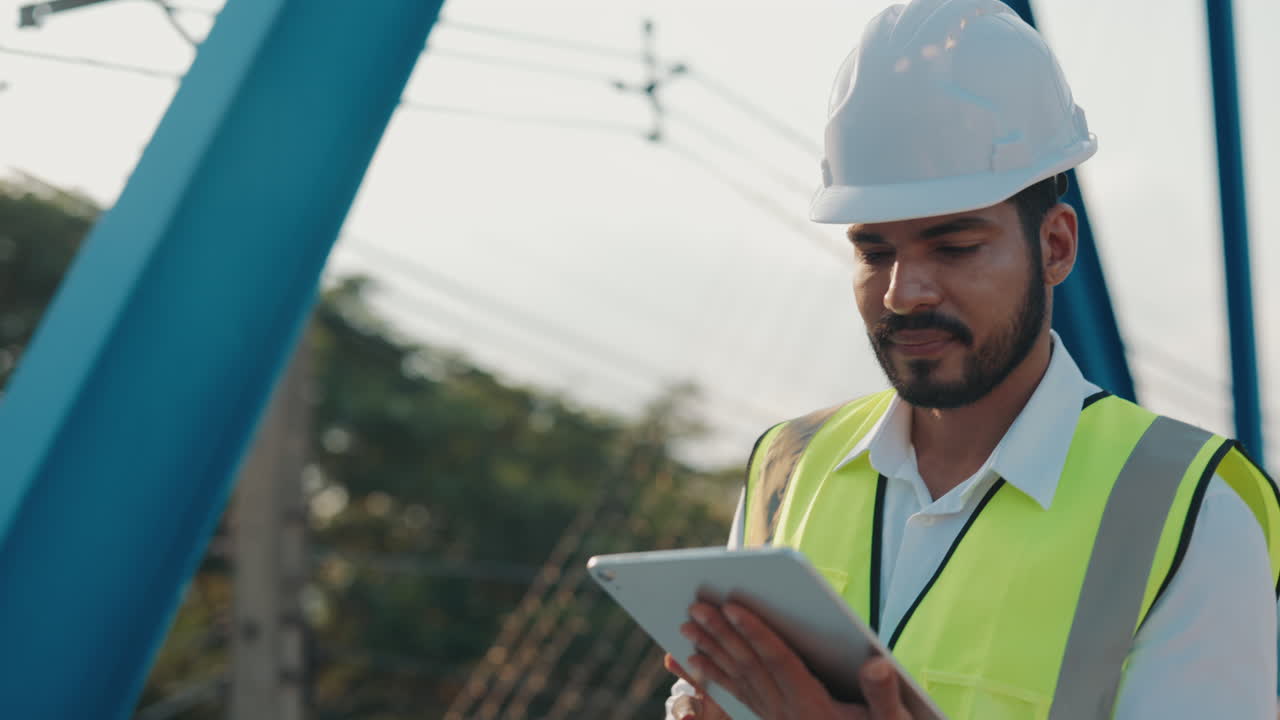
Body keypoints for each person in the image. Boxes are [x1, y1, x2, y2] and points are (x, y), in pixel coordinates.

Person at [662, 0, 1280, 718]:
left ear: (1055, 245)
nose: (904, 291)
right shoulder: (787, 468)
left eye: (953, 247)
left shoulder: (1194, 508)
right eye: (874, 250)